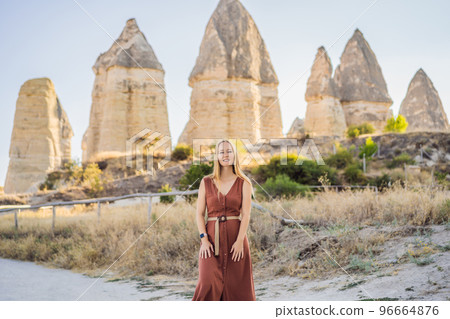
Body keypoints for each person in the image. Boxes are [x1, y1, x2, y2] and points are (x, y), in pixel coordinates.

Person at [192, 139, 256, 301]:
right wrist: (204, 240)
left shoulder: (244, 183)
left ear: (235, 155)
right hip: (212, 240)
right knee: (207, 282)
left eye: (229, 151)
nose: (225, 155)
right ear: (217, 156)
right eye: (221, 152)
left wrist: (240, 241)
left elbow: (246, 214)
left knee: (237, 288)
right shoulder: (206, 182)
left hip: (236, 239)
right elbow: (200, 214)